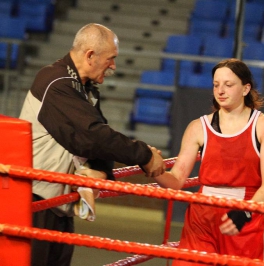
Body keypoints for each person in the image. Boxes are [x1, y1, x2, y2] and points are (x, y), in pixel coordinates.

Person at [19, 23, 165, 266]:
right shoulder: (57, 82)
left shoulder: (81, 87)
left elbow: (100, 136)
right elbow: (93, 136)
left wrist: (102, 172)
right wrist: (145, 156)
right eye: (111, 59)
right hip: (35, 203)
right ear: (89, 55)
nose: (114, 67)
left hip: (56, 204)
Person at [153, 58, 264, 264]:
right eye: (216, 85)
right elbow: (176, 180)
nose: (221, 90)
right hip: (202, 216)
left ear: (246, 88)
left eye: (228, 85)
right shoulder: (197, 127)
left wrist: (245, 212)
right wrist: (153, 167)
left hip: (243, 215)